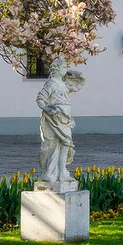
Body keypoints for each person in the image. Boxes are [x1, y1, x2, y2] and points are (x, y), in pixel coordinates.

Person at [36, 58, 84, 189]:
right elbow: (40, 99)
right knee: (51, 145)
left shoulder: (63, 84)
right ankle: (49, 172)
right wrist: (47, 108)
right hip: (54, 118)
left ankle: (62, 171)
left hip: (65, 118)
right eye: (64, 67)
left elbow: (77, 85)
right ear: (56, 69)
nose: (65, 70)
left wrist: (78, 76)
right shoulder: (51, 84)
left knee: (66, 143)